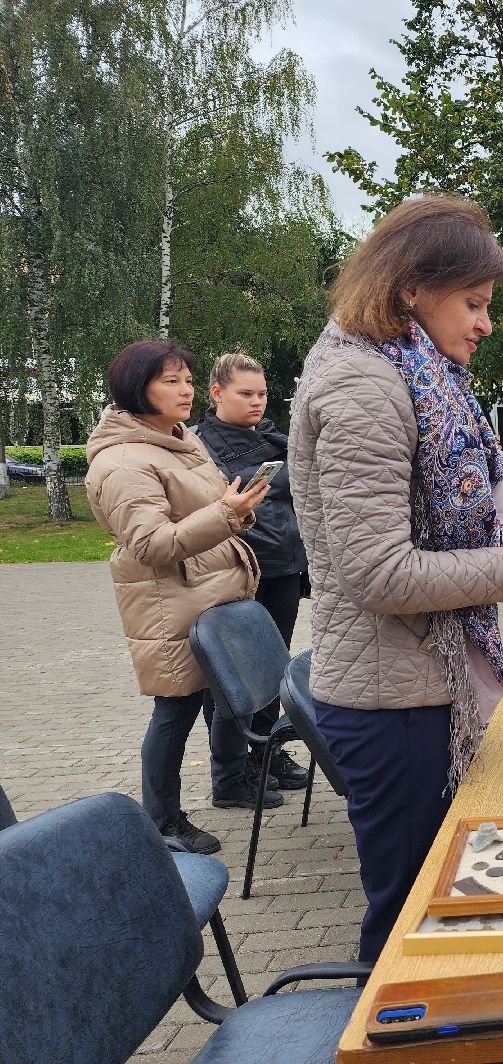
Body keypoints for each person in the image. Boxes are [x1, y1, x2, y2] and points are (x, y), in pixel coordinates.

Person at [288, 195, 503, 961]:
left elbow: (431, 525)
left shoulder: (414, 375)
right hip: (393, 704)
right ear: (412, 289)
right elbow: (382, 573)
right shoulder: (364, 386)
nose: (486, 323)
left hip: (420, 686)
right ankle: (380, 1016)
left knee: (433, 900)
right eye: (474, 303)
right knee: (407, 920)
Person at [85, 339, 273, 855]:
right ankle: (163, 822)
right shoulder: (123, 462)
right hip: (167, 601)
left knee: (217, 700)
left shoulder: (180, 440)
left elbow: (206, 509)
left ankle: (228, 783)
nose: (186, 390)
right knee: (175, 711)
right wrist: (227, 513)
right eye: (171, 381)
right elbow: (150, 544)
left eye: (188, 379)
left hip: (208, 593)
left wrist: (237, 508)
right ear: (137, 389)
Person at [194, 352, 311, 793]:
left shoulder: (273, 437)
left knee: (273, 666)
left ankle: (266, 752)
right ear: (217, 393)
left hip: (284, 566)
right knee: (231, 675)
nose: (257, 401)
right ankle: (231, 767)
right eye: (246, 393)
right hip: (238, 569)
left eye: (261, 393)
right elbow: (220, 499)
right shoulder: (200, 445)